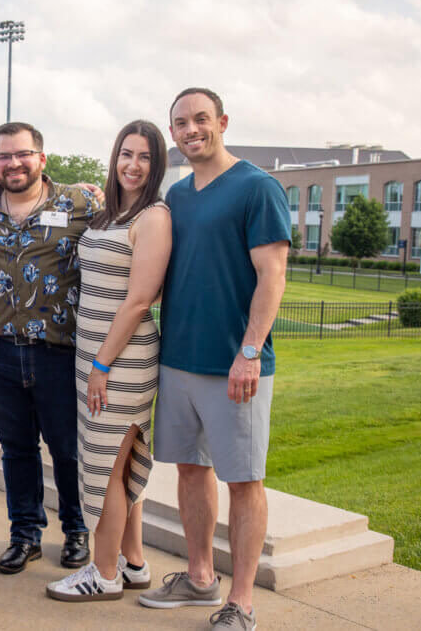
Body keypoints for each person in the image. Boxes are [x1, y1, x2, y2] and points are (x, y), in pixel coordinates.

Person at [137, 88, 290, 631]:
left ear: (222, 122)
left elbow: (273, 275)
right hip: (177, 361)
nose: (191, 130)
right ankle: (200, 577)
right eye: (180, 123)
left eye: (201, 119)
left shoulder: (257, 187)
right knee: (189, 469)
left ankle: (242, 602)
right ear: (172, 132)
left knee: (244, 480)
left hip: (235, 367)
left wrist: (249, 353)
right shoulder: (177, 197)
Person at [45, 120, 172, 601]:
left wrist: (101, 366)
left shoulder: (153, 217)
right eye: (125, 154)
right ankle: (134, 563)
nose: (132, 165)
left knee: (103, 470)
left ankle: (103, 574)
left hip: (120, 361)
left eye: (143, 157)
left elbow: (140, 300)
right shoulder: (108, 215)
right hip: (95, 355)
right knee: (120, 466)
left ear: (155, 164)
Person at [0, 122, 97, 575]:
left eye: (22, 154)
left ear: (41, 158)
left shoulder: (81, 203)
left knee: (67, 448)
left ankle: (77, 530)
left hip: (58, 351)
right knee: (16, 449)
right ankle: (24, 535)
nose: (13, 163)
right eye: (3, 156)